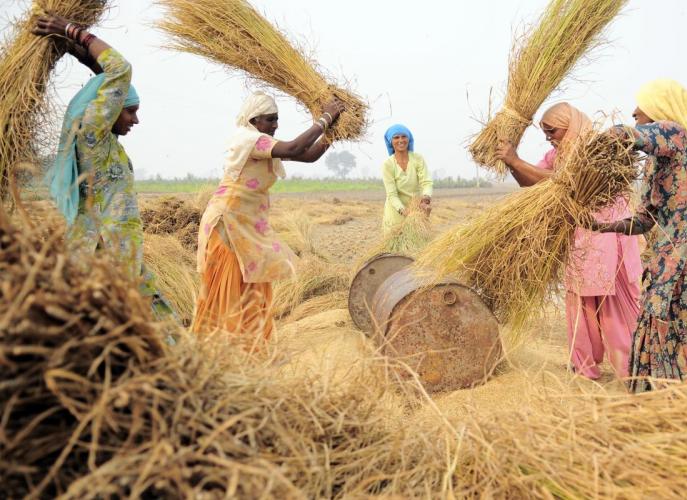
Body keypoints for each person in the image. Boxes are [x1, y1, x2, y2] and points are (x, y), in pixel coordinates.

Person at [33, 15, 174, 322]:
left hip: (119, 257)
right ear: (109, 110)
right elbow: (119, 70)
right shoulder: (92, 136)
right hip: (107, 258)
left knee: (158, 336)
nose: (135, 120)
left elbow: (108, 80)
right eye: (131, 111)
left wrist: (76, 51)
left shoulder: (105, 142)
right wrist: (74, 32)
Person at [591, 80, 687, 392]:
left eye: (642, 106)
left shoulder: (676, 134)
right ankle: (653, 407)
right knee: (654, 330)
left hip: (686, 257)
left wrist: (596, 145)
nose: (635, 111)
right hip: (664, 258)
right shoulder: (657, 160)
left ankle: (671, 408)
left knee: (675, 334)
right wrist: (604, 227)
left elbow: (628, 135)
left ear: (661, 109)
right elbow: (646, 219)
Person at [496, 102, 642, 380]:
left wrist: (516, 160)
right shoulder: (557, 154)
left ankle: (630, 367)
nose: (549, 137)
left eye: (553, 131)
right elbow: (530, 182)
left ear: (570, 125)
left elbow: (567, 181)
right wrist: (511, 162)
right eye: (546, 132)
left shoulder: (596, 150)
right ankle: (584, 365)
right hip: (582, 238)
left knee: (611, 303)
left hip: (607, 233)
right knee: (580, 301)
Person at [192, 91, 344, 347]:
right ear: (254, 120)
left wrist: (334, 134)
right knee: (228, 289)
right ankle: (218, 349)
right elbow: (295, 147)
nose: (275, 125)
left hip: (246, 225)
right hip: (227, 224)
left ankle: (249, 348)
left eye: (276, 120)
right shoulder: (249, 140)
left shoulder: (260, 142)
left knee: (252, 282)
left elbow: (306, 155)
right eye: (270, 120)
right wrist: (326, 117)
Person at [381, 124, 433, 234]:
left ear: (409, 139)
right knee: (394, 248)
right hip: (395, 213)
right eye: (396, 137)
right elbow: (392, 195)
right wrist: (404, 211)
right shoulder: (388, 165)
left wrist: (426, 197)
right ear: (391, 141)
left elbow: (426, 182)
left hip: (416, 209)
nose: (401, 140)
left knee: (418, 246)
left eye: (404, 136)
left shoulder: (417, 159)